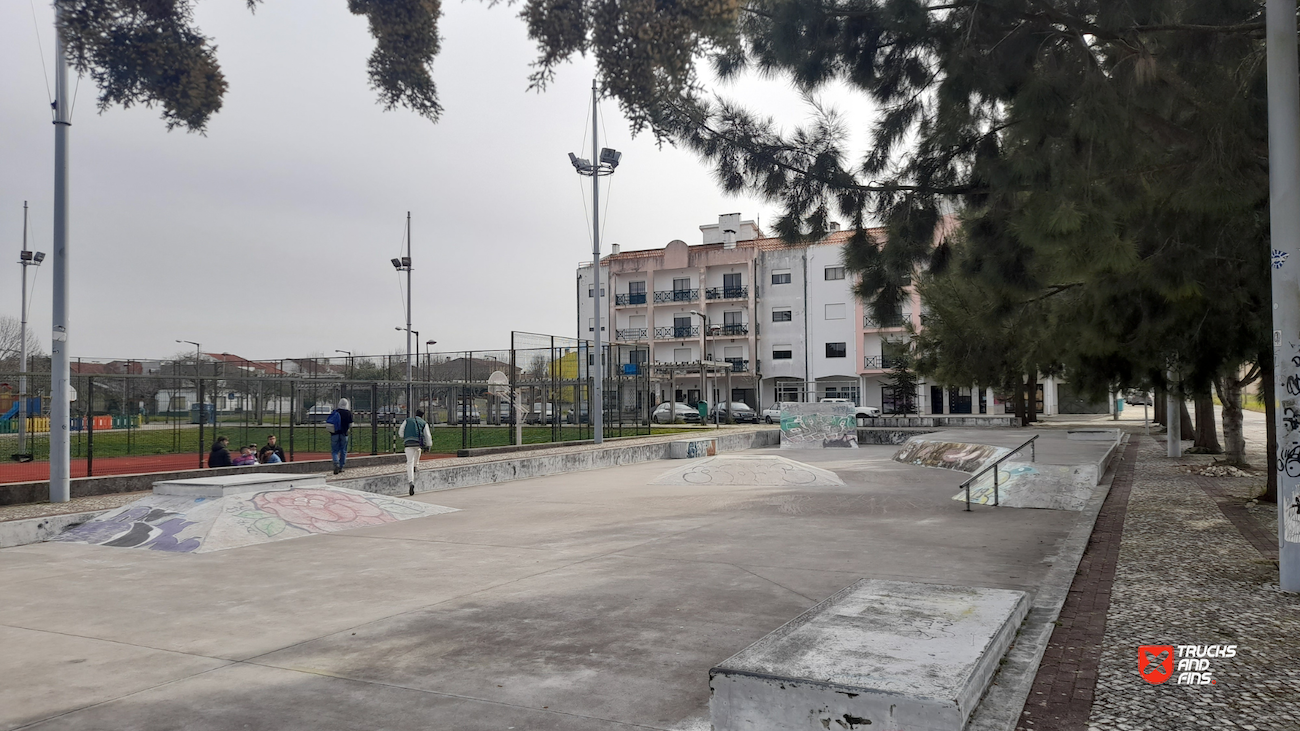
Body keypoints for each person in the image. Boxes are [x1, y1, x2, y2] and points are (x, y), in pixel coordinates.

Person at [398, 409, 432, 496]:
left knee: (409, 462)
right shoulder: (424, 423)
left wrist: (403, 437)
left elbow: (401, 431)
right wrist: (429, 445)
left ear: (415, 414)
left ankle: (411, 482)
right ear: (422, 415)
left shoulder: (407, 420)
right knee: (418, 450)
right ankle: (416, 466)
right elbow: (427, 435)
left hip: (408, 444)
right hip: (418, 444)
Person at [326, 398, 354, 474]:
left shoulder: (335, 412)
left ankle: (336, 463)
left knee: (334, 450)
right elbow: (351, 425)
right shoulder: (348, 413)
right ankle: (341, 466)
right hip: (344, 434)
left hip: (334, 433)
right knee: (343, 450)